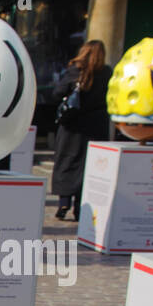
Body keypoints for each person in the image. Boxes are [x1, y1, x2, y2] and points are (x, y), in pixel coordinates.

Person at [52, 40, 110, 221]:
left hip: (72, 124)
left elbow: (57, 92)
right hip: (97, 125)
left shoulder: (75, 70)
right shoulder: (107, 72)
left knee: (66, 160)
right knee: (89, 166)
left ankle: (63, 202)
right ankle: (79, 206)